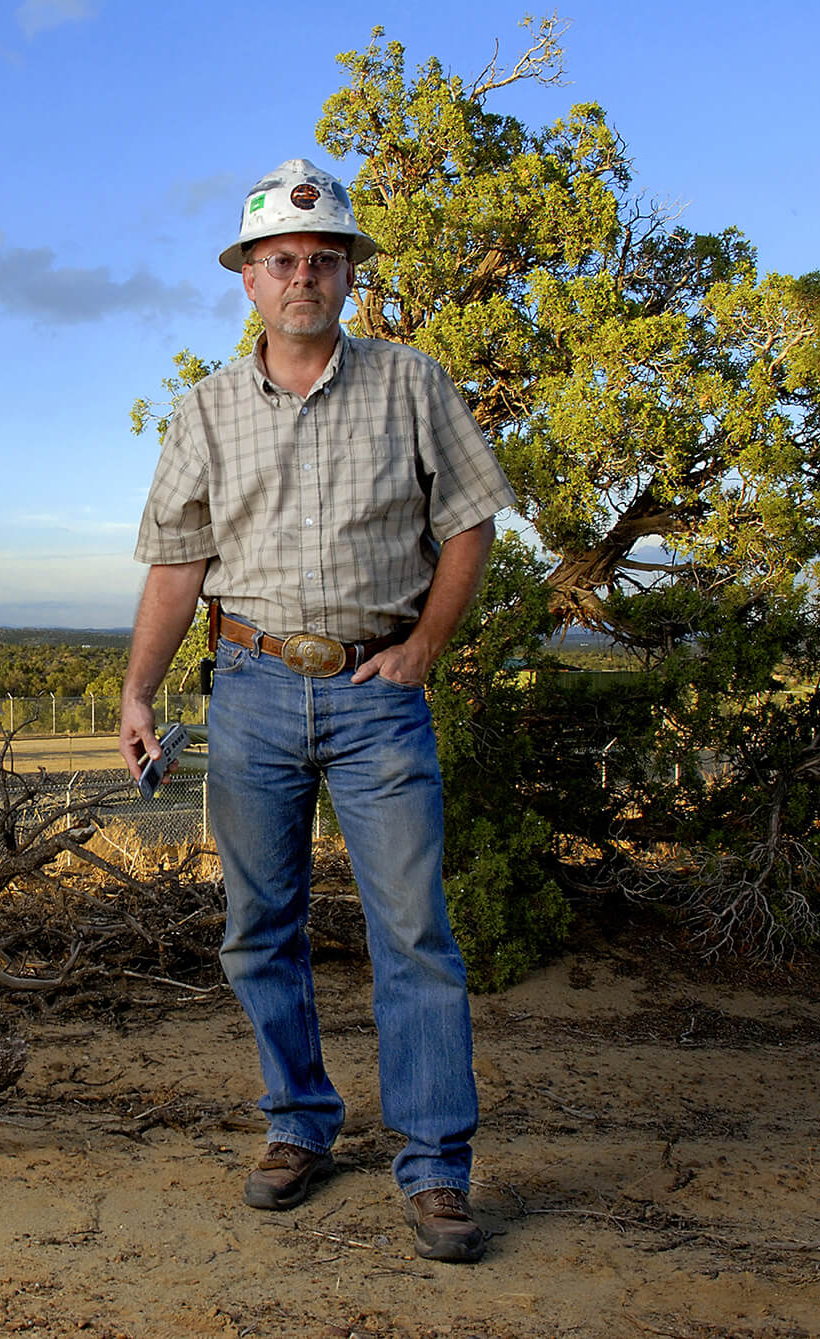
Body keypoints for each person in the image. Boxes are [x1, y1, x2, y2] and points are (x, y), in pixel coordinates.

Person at [119, 157, 516, 1264]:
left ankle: (436, 1169)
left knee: (413, 936)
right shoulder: (202, 410)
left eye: (322, 259)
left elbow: (472, 520)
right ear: (246, 279)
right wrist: (136, 690)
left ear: (348, 276)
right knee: (259, 932)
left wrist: (423, 648)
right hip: (246, 690)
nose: (301, 275)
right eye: (280, 259)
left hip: (372, 692)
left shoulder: (410, 384)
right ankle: (297, 1126)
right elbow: (175, 560)